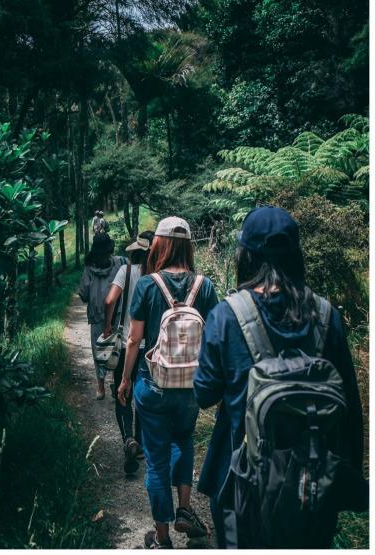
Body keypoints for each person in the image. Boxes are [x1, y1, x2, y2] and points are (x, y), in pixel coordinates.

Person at [193, 205, 365, 548]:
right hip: (313, 484)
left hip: (243, 484)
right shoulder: (326, 315)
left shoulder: (227, 316)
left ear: (246, 256)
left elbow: (205, 394)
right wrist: (348, 480)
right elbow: (350, 407)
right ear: (296, 256)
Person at [118, 216, 218, 549]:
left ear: (158, 244)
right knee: (184, 440)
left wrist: (125, 380)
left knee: (157, 459)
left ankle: (162, 538)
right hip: (191, 384)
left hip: (153, 382)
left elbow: (133, 341)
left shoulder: (148, 284)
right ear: (188, 246)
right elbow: (214, 337)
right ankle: (185, 510)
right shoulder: (204, 285)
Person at [104, 230, 155, 475]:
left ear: (135, 250)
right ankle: (142, 444)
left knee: (122, 393)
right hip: (151, 350)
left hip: (126, 345)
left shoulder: (126, 271)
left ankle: (128, 439)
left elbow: (109, 300)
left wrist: (107, 326)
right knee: (142, 396)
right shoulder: (157, 277)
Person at [78, 233, 126, 400]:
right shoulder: (119, 262)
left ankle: (104, 386)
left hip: (104, 314)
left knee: (101, 350)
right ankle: (107, 383)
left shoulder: (119, 263)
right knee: (116, 349)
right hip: (115, 314)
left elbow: (83, 294)